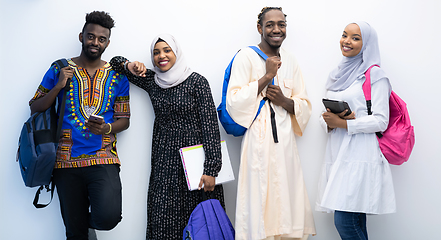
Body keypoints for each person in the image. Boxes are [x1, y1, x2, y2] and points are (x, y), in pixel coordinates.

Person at [110, 33, 225, 239]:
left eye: (166, 50)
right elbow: (115, 63)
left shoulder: (196, 82)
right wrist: (130, 65)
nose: (161, 56)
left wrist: (211, 169)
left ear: (176, 52)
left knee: (200, 222)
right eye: (156, 52)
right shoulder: (153, 81)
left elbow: (210, 128)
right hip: (165, 163)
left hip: (196, 166)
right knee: (164, 218)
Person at [29, 11, 130, 240]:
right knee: (75, 234)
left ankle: (83, 222)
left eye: (101, 39)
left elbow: (124, 120)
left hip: (103, 158)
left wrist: (107, 129)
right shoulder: (59, 68)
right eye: (91, 36)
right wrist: (58, 87)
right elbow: (35, 106)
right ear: (81, 36)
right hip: (65, 161)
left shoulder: (117, 76)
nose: (95, 42)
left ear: (107, 43)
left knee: (109, 217)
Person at [226, 7, 316, 240]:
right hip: (257, 140)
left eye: (281, 24)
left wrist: (285, 101)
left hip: (285, 141)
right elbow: (233, 102)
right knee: (259, 196)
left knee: (287, 198)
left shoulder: (291, 59)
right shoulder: (245, 56)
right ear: (260, 28)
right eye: (270, 25)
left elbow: (304, 103)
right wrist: (266, 77)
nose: (276, 29)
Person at [316, 22, 396, 240]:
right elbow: (325, 118)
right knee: (355, 221)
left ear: (367, 43)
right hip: (338, 153)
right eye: (344, 35)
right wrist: (330, 121)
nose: (347, 41)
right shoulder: (337, 74)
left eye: (355, 38)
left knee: (345, 222)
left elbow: (381, 121)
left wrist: (346, 123)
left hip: (361, 155)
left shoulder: (375, 75)